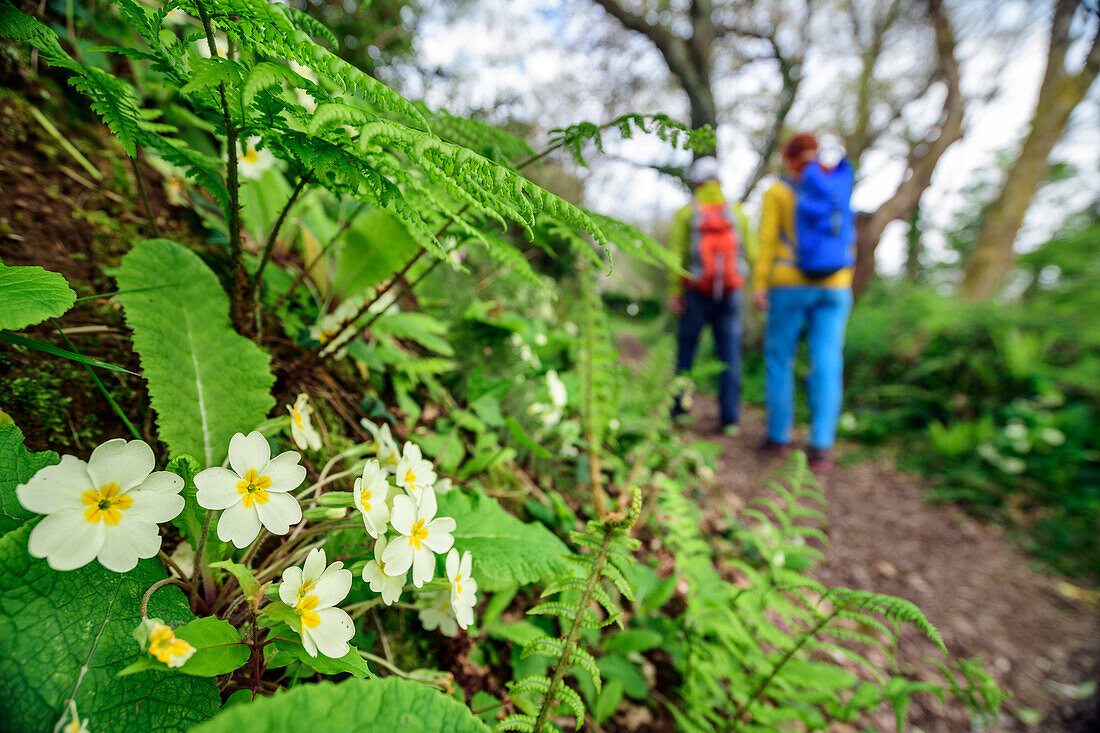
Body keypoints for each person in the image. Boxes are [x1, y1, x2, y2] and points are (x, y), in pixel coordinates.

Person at [753, 133, 855, 472]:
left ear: (788, 158)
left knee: (780, 358)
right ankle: (821, 447)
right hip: (837, 286)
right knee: (828, 362)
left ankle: (778, 438)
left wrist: (760, 283)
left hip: (790, 282)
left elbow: (767, 241)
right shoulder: (837, 184)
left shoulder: (778, 192)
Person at [668, 156, 747, 435]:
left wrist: (675, 291)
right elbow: (752, 252)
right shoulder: (736, 213)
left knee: (687, 353)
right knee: (729, 356)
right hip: (731, 293)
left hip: (695, 292)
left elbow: (676, 256)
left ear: (696, 182)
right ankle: (730, 419)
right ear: (719, 181)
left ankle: (679, 412)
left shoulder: (687, 213)